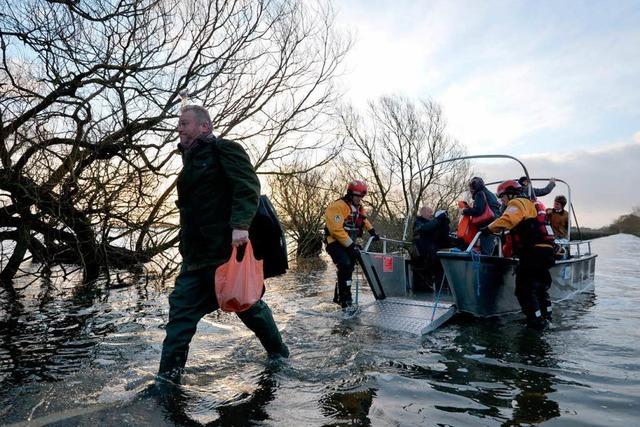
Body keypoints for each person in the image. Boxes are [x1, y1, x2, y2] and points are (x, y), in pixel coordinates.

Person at [158, 105, 289, 384]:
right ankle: (167, 382)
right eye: (178, 124)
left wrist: (241, 226)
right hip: (194, 259)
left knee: (249, 307)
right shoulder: (188, 165)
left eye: (184, 123)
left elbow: (248, 185)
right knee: (179, 318)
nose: (179, 128)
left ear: (204, 127)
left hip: (225, 254)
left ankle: (279, 355)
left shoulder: (225, 149)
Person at [486, 179, 555, 329]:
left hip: (533, 253)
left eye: (502, 196)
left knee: (524, 290)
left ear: (510, 194)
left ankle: (536, 323)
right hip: (546, 252)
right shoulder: (533, 206)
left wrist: (488, 229)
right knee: (540, 288)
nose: (502, 200)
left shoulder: (518, 203)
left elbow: (508, 219)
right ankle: (547, 318)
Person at [325, 180, 380, 308]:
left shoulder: (359, 208)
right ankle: (345, 300)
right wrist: (351, 246)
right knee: (344, 264)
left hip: (348, 242)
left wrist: (372, 232)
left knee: (348, 268)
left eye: (361, 196)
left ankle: (341, 297)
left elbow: (364, 220)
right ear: (350, 194)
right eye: (357, 196)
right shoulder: (337, 206)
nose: (359, 199)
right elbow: (336, 230)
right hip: (334, 242)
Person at [411, 207, 450, 291]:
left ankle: (442, 290)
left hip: (433, 253)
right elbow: (425, 228)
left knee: (441, 267)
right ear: (423, 213)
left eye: (432, 212)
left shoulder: (433, 224)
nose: (431, 214)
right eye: (430, 212)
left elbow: (443, 236)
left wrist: (444, 222)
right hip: (422, 254)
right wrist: (437, 219)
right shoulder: (418, 222)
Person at [460, 177, 501, 255]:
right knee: (489, 247)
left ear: (473, 187)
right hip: (494, 222)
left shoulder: (479, 194)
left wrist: (465, 211)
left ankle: (484, 266)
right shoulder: (490, 193)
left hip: (486, 224)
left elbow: (478, 210)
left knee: (485, 250)